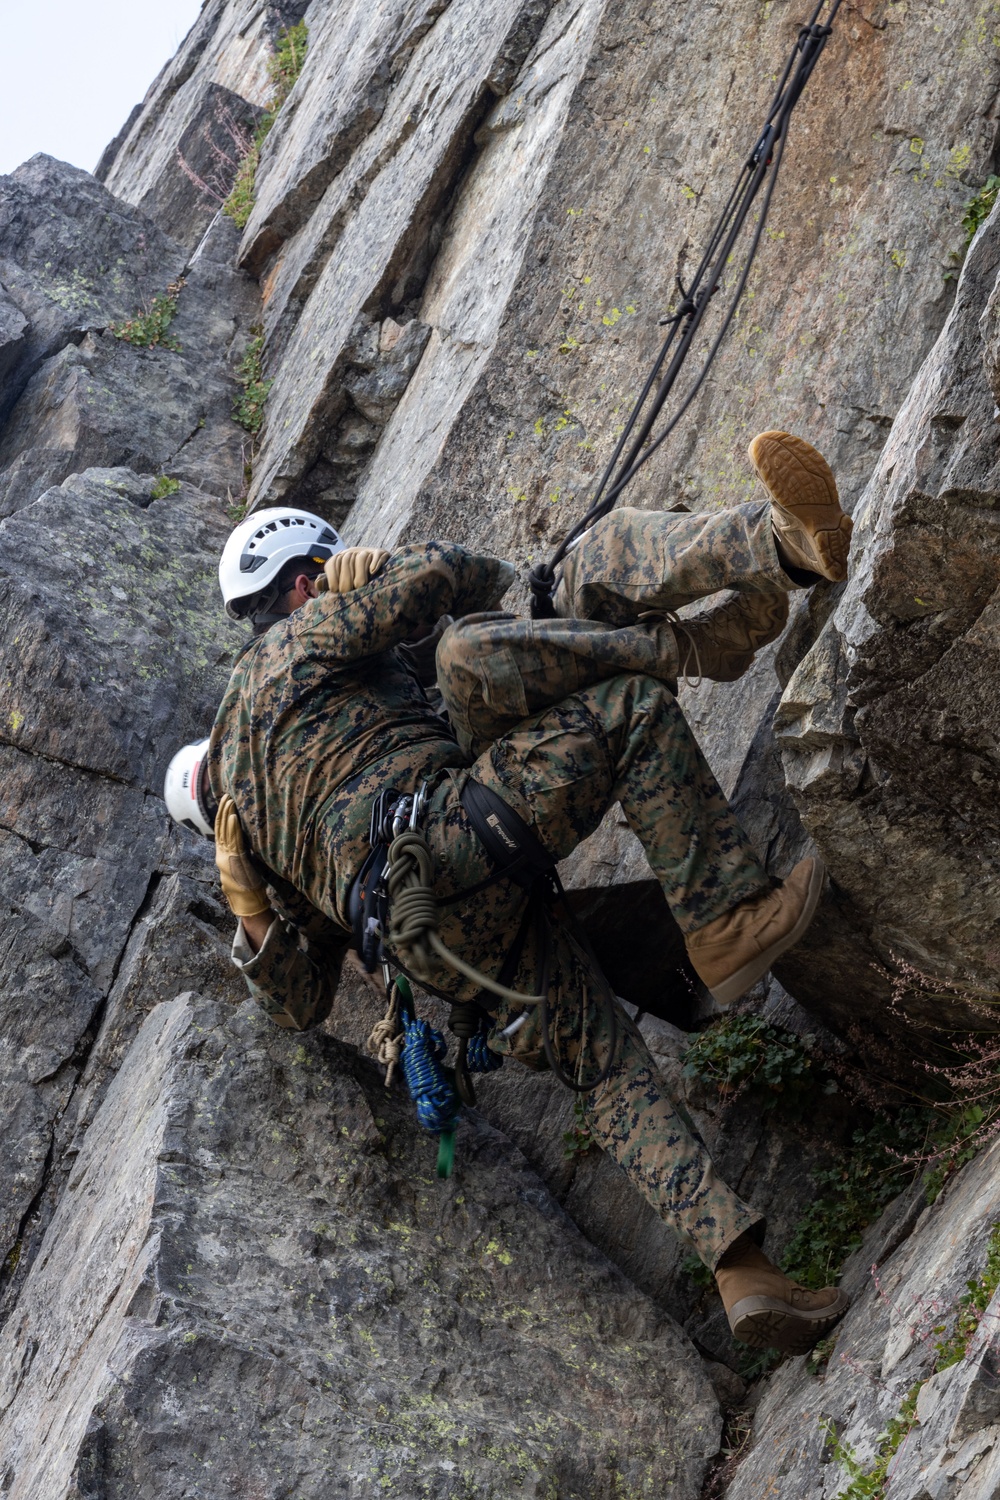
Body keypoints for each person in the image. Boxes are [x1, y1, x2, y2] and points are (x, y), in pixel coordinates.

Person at [165, 430, 853, 1354]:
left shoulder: (252, 807)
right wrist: (374, 574)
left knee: (604, 1072)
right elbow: (448, 576)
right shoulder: (289, 647)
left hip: (439, 949)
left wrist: (250, 908)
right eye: (322, 571)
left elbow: (301, 1002)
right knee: (632, 715)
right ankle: (726, 918)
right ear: (304, 579)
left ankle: (743, 1275)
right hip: (455, 828)